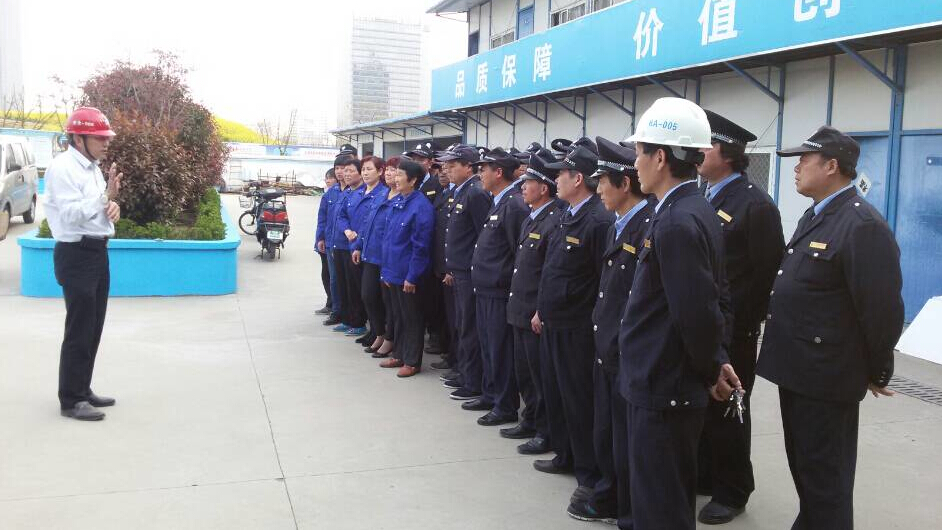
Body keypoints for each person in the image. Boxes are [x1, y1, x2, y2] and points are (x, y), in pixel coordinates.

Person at [756, 126, 904, 530]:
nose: (797, 167)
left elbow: (882, 309)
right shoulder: (818, 215)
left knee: (825, 480)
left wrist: (876, 369)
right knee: (807, 471)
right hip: (800, 370)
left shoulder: (861, 224)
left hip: (827, 377)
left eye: (804, 159)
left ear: (831, 166)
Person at [617, 97, 742, 530]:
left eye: (639, 152)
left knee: (661, 506)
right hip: (662, 377)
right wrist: (716, 360)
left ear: (661, 157)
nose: (634, 163)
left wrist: (711, 368)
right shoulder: (688, 208)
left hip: (664, 382)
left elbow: (697, 311)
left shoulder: (677, 220)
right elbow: (711, 297)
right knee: (662, 496)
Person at [695, 110, 785, 525]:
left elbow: (766, 274)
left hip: (735, 330)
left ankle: (733, 490)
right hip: (708, 324)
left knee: (730, 410)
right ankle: (706, 475)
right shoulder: (705, 197)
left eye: (707, 146)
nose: (698, 153)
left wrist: (740, 325)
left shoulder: (755, 205)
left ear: (727, 153)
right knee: (704, 407)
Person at [566, 137, 654, 526]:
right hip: (607, 346)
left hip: (626, 350)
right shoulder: (619, 224)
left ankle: (623, 505)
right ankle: (609, 492)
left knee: (625, 437)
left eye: (603, 181)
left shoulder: (646, 226)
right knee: (607, 430)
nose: (598, 188)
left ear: (625, 183)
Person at [534, 143, 612, 506]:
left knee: (580, 402)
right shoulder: (569, 213)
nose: (555, 180)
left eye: (560, 175)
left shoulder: (597, 220)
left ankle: (589, 473)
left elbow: (601, 281)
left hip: (578, 327)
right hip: (555, 320)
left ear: (578, 178)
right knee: (558, 395)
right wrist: (541, 309)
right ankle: (565, 454)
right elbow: (554, 269)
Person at [44, 107, 122, 421]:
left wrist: (111, 207)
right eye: (99, 138)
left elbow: (96, 209)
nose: (106, 143)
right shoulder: (63, 168)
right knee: (79, 329)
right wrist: (104, 198)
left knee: (93, 327)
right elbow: (70, 215)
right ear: (79, 139)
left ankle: (83, 388)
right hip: (76, 254)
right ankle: (71, 400)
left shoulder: (91, 168)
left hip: (96, 252)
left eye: (106, 137)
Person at [504, 149, 561, 456]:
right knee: (524, 372)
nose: (523, 187)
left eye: (529, 182)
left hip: (534, 312)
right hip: (520, 307)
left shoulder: (553, 221)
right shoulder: (532, 219)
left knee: (540, 378)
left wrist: (541, 309)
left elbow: (549, 273)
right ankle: (530, 420)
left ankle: (545, 431)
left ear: (544, 188)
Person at [466, 147, 529, 426]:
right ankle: (491, 394)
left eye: (484, 169)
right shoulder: (499, 201)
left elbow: (518, 252)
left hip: (499, 290)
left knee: (500, 349)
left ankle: (504, 405)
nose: (480, 174)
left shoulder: (514, 205)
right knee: (488, 345)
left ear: (499, 172)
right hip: (485, 289)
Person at [438, 145, 492, 402]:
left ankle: (474, 381)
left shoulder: (476, 193)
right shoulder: (460, 191)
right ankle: (464, 372)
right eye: (446, 165)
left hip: (470, 273)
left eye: (452, 165)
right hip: (459, 271)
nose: (447, 170)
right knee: (462, 324)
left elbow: (483, 236)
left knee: (470, 327)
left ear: (469, 167)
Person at [379, 159, 435, 377]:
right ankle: (400, 354)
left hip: (408, 275)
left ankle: (412, 361)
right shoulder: (398, 202)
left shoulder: (421, 207)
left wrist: (412, 276)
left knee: (412, 318)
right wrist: (385, 271)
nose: (396, 178)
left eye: (400, 175)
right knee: (399, 316)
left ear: (413, 180)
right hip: (393, 271)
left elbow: (421, 247)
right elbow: (388, 239)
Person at [350, 156, 390, 352]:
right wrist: (358, 245)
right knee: (367, 295)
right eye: (363, 169)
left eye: (369, 169)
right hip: (367, 251)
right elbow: (366, 224)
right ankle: (376, 332)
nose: (365, 173)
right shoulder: (363, 192)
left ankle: (381, 333)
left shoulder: (384, 193)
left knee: (375, 297)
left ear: (380, 171)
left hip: (381, 255)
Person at [335, 158, 369, 337]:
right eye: (344, 171)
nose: (345, 174)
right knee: (344, 285)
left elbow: (366, 221)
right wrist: (346, 230)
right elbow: (340, 216)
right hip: (342, 243)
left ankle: (358, 322)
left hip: (357, 246)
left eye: (350, 171)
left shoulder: (365, 193)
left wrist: (356, 237)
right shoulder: (348, 192)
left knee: (356, 287)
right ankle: (348, 319)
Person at [373, 158, 402, 359]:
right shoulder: (383, 194)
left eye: (396, 172)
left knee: (395, 306)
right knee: (382, 299)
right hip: (379, 255)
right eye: (389, 170)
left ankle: (391, 339)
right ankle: (381, 334)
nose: (392, 175)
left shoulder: (407, 201)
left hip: (396, 261)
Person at [323, 154, 354, 328]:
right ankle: (336, 311)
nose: (341, 172)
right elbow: (323, 217)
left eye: (345, 169)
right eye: (338, 169)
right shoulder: (331, 192)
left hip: (346, 244)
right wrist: (320, 238)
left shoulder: (353, 191)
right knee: (334, 279)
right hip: (330, 242)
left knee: (345, 281)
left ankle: (347, 314)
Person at [315, 168, 338, 316]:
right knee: (326, 273)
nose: (327, 181)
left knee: (334, 276)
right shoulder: (328, 195)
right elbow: (322, 219)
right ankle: (330, 303)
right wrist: (320, 238)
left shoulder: (343, 194)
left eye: (330, 178)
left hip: (335, 242)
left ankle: (335, 305)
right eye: (326, 178)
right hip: (325, 240)